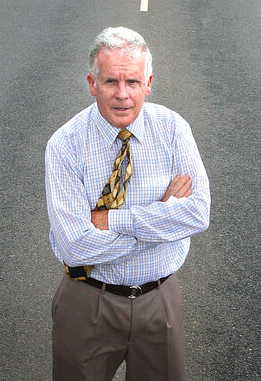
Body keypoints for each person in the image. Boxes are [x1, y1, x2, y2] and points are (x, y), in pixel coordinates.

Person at [45, 27, 210, 380]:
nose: (123, 94)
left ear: (148, 84)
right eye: (111, 82)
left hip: (159, 300)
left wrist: (111, 220)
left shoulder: (173, 129)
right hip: (88, 301)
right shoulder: (65, 144)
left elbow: (198, 213)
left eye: (132, 82)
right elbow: (75, 247)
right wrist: (164, 218)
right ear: (92, 84)